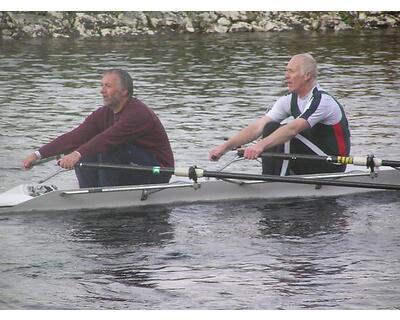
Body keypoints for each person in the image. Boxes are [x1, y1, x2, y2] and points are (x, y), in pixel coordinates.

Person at [23, 69, 174, 187]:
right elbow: (76, 136)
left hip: (156, 171)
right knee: (82, 145)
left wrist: (77, 154)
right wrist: (38, 154)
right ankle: (91, 192)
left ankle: (103, 193)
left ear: (124, 91)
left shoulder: (138, 114)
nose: (102, 91)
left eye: (108, 86)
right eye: (102, 85)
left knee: (105, 147)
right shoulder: (103, 113)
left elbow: (108, 139)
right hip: (132, 167)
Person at [209, 53, 350, 176]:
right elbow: (258, 127)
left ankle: (273, 183)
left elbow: (292, 130)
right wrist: (224, 147)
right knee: (270, 127)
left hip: (331, 164)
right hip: (309, 160)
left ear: (307, 75)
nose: (286, 77)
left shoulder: (322, 101)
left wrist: (260, 146)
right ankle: (273, 179)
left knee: (279, 129)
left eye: (291, 72)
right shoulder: (288, 100)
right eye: (286, 71)